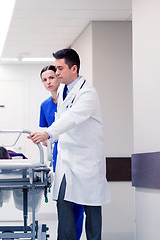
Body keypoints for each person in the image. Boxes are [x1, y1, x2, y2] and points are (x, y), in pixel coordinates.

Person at [28, 48, 111, 240]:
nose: (56, 73)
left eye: (60, 68)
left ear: (73, 68)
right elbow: (61, 121)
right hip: (66, 160)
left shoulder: (88, 93)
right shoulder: (64, 92)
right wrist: (47, 138)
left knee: (91, 210)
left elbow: (73, 118)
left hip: (86, 161)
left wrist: (48, 133)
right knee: (64, 205)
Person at [39, 65, 85, 240]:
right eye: (44, 79)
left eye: (51, 77)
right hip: (59, 158)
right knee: (63, 203)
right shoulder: (45, 105)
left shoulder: (73, 100)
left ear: (59, 77)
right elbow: (45, 133)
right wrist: (47, 138)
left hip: (77, 155)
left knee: (78, 203)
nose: (49, 82)